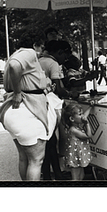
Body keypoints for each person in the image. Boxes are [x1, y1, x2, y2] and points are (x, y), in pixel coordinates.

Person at [0, 31, 56, 181]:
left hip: (15, 111)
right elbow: (14, 65)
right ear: (35, 45)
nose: (42, 52)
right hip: (28, 110)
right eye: (41, 47)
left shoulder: (16, 53)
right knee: (36, 161)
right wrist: (18, 92)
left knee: (25, 157)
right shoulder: (28, 53)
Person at [39, 40, 73, 180]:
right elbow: (58, 88)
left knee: (46, 142)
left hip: (37, 106)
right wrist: (72, 94)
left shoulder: (39, 60)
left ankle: (48, 173)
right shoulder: (53, 64)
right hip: (49, 106)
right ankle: (55, 174)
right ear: (59, 52)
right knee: (51, 142)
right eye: (64, 57)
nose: (64, 60)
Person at [60, 103, 92, 180]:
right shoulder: (73, 130)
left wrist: (90, 107)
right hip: (75, 158)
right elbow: (88, 136)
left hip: (78, 157)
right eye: (80, 114)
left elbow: (84, 116)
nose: (83, 117)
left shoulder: (76, 125)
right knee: (76, 178)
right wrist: (87, 124)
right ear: (72, 119)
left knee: (81, 176)